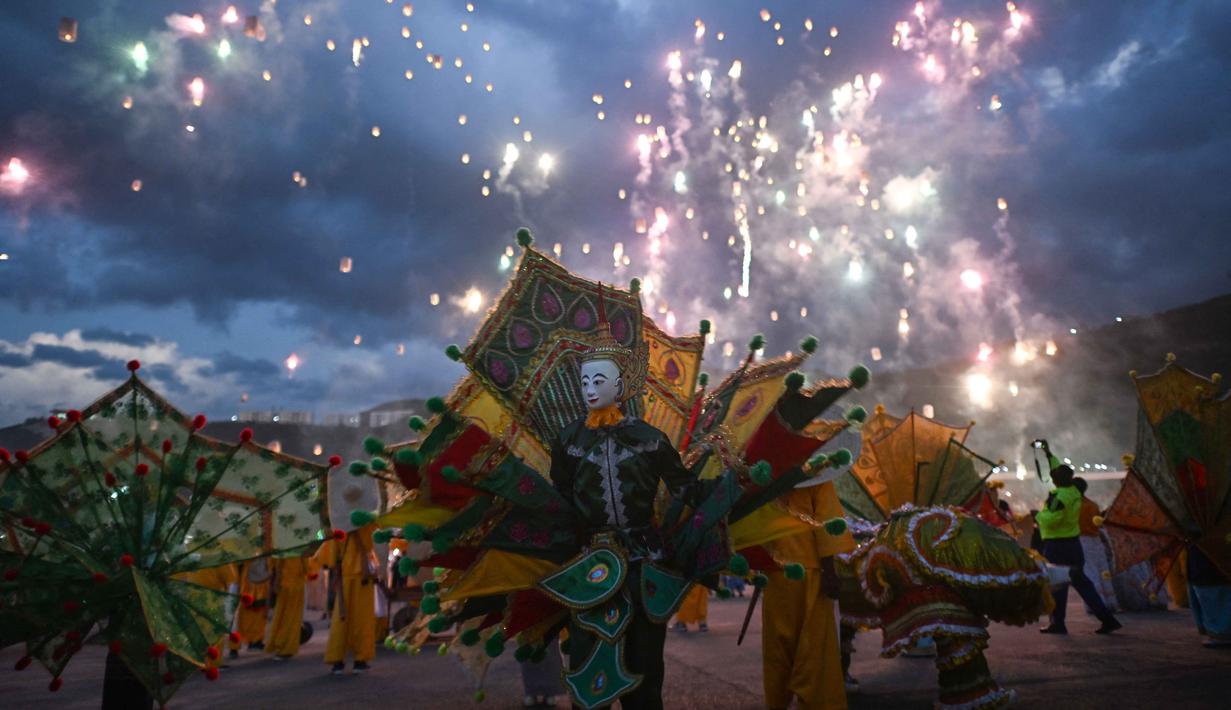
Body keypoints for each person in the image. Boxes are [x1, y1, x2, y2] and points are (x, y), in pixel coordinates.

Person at [550, 317, 700, 710]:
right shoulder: (568, 441)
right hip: (589, 567)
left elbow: (685, 487)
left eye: (599, 381)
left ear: (621, 385)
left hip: (644, 562)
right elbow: (559, 500)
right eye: (584, 382)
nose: (590, 389)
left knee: (646, 666)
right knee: (586, 661)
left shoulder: (650, 439)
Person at [761, 481, 855, 710]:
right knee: (815, 650)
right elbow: (829, 523)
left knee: (778, 649)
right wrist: (830, 571)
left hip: (777, 576)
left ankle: (777, 702)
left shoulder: (764, 475)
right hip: (808, 575)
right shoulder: (817, 473)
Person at [1034, 444, 1121, 635]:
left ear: (1055, 480)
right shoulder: (1073, 491)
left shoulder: (1058, 498)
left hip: (1057, 546)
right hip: (1073, 545)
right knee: (1082, 583)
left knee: (1057, 585)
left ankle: (1058, 623)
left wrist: (1038, 517)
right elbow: (1058, 470)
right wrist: (1048, 453)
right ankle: (1107, 618)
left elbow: (1052, 519)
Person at [314, 523, 379, 674]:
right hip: (363, 578)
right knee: (362, 620)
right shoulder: (367, 525)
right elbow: (373, 543)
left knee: (340, 619)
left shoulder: (338, 527)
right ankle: (360, 660)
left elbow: (328, 558)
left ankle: (337, 661)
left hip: (345, 578)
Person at [1073, 477, 1118, 612]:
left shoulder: (1074, 506)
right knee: (1102, 571)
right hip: (1096, 541)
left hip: (1082, 541)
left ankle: (1097, 605)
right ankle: (1109, 602)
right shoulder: (1093, 505)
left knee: (1090, 572)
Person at [265, 553, 319, 659]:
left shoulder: (281, 541)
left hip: (284, 583)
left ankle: (278, 645)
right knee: (292, 617)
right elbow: (306, 566)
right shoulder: (299, 543)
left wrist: (276, 580)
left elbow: (276, 562)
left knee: (281, 615)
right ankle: (286, 648)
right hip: (296, 583)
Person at [1186, 545, 1231, 647]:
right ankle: (1218, 632)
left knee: (1214, 596)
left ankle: (1221, 634)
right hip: (1206, 563)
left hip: (1208, 567)